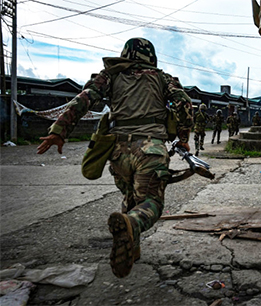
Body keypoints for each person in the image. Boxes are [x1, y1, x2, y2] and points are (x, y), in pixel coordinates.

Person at [36, 38, 194, 279]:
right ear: (151, 56)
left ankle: (133, 249)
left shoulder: (110, 76)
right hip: (150, 148)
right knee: (151, 203)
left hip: (118, 151)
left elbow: (84, 98)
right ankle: (131, 224)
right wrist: (183, 137)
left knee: (129, 196)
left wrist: (59, 131)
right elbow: (184, 103)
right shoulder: (163, 78)